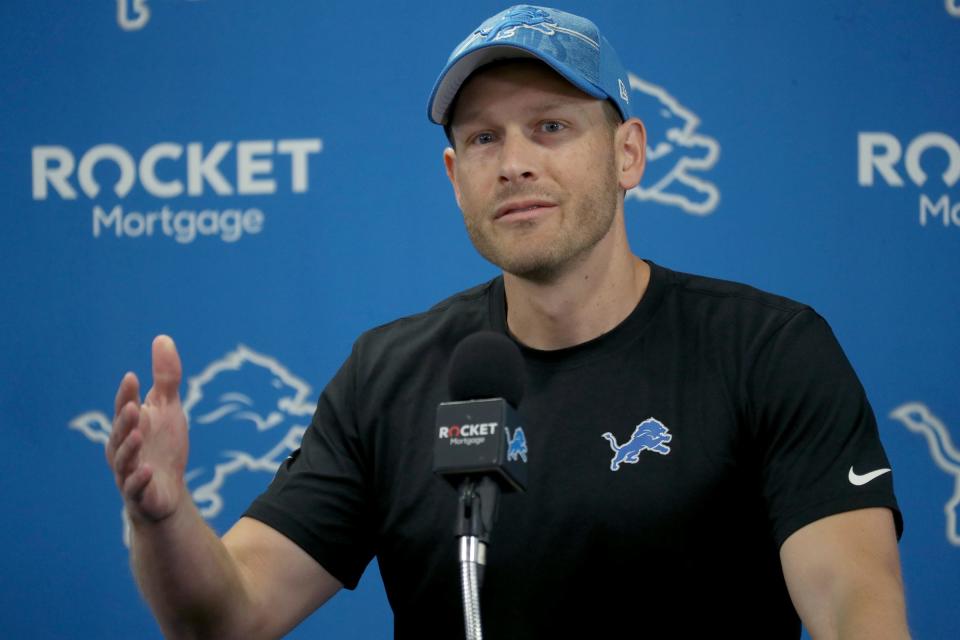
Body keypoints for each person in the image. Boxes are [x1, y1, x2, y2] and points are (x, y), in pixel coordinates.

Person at [106, 5, 909, 638]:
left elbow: (854, 615)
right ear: (457, 178)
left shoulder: (767, 351)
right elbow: (228, 617)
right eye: (484, 137)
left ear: (628, 153)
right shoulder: (387, 375)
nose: (514, 160)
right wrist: (165, 520)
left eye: (550, 126)